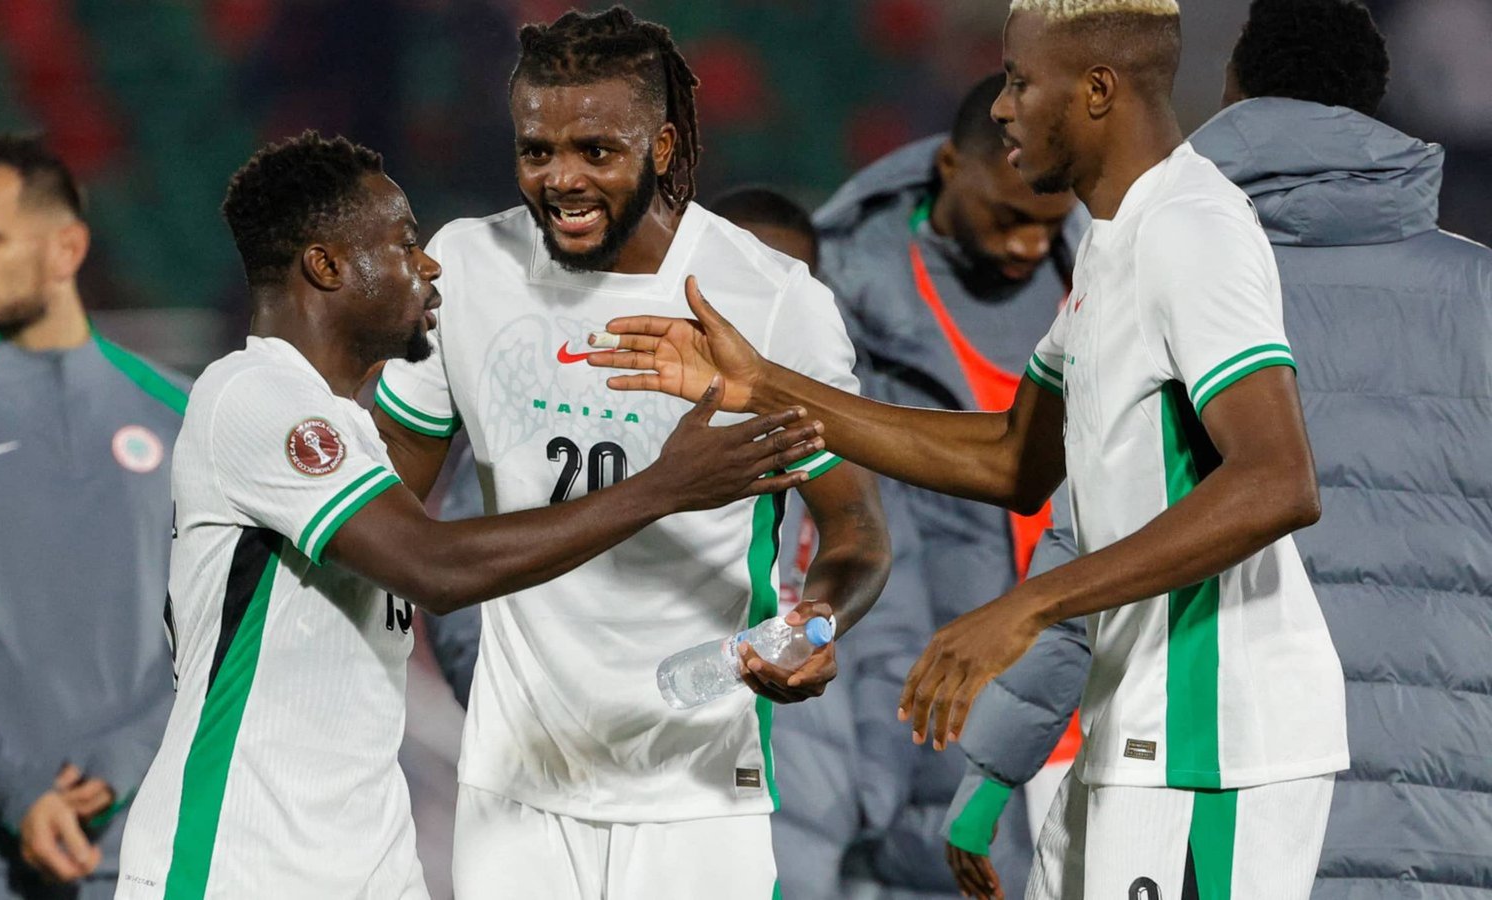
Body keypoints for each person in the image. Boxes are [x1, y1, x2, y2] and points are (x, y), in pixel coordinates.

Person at [592, 0, 1351, 896]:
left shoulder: (1191, 227)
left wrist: (1025, 606)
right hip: (1136, 717)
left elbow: (1276, 480)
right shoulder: (1112, 245)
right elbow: (1009, 457)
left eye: (1023, 83)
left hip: (1214, 733)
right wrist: (769, 385)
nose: (1000, 106)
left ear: (1097, 90)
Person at [112, 130, 821, 900]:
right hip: (234, 864)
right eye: (402, 243)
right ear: (326, 266)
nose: (429, 265)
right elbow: (437, 568)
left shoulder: (351, 434)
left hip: (365, 864)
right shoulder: (253, 395)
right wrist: (661, 488)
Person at [943, 1, 1492, 897]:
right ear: (1379, 110)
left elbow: (1095, 542)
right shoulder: (1480, 298)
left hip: (1209, 783)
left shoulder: (1155, 255)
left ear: (1230, 91)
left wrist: (995, 767)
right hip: (1448, 810)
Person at [374, 9, 891, 898]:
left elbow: (857, 533)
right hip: (516, 782)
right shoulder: (464, 267)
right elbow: (387, 514)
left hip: (699, 786)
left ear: (659, 145)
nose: (561, 180)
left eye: (594, 151)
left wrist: (817, 623)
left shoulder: (768, 299)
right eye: (536, 151)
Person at [812, 73, 1085, 899]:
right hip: (942, 722)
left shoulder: (1107, 287)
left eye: (1047, 224)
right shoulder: (841, 304)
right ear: (946, 166)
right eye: (1007, 217)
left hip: (1098, 716)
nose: (1026, 246)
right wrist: (879, 767)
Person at [0, 135, 186, 899]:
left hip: (131, 833)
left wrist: (131, 751)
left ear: (67, 248)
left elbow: (223, 616)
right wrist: (18, 786)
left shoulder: (181, 412)